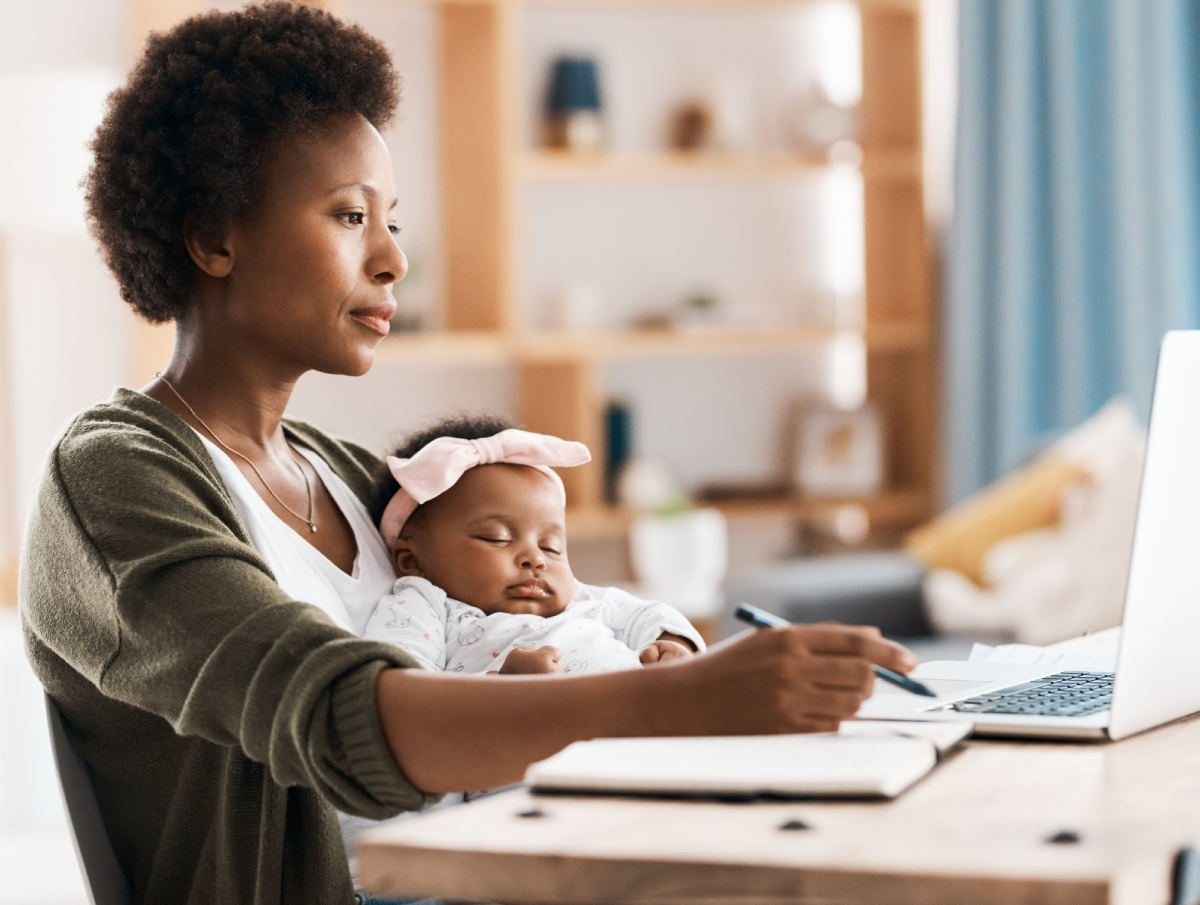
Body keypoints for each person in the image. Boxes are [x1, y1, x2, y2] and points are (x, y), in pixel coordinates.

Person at [19, 3, 918, 903]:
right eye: (347, 216)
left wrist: (672, 647)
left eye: (392, 220)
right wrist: (683, 703)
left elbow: (549, 607)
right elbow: (338, 715)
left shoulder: (350, 475)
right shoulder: (115, 479)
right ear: (215, 236)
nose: (392, 260)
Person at [362, 415, 705, 675]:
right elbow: (406, 695)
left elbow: (651, 614)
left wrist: (674, 644)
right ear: (412, 560)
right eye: (497, 538)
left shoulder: (585, 601)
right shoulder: (422, 608)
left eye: (552, 546)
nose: (535, 559)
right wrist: (503, 689)